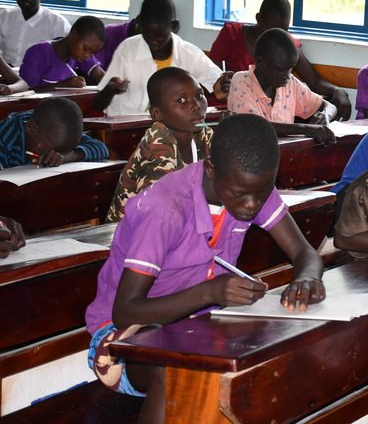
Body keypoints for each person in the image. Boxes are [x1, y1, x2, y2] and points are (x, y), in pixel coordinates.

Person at [84, 114, 325, 422]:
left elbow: (304, 252)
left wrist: (306, 278)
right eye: (241, 195)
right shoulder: (166, 208)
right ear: (211, 169)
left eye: (262, 193)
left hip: (198, 327)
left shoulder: (249, 184)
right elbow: (126, 312)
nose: (252, 205)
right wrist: (210, 292)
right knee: (172, 365)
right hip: (120, 340)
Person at [208, 0, 352, 119]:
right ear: (258, 18)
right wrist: (223, 82)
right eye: (271, 28)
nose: (278, 35)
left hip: (272, 112)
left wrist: (337, 91)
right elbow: (210, 74)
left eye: (284, 30)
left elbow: (314, 81)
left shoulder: (286, 46)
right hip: (230, 108)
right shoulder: (231, 35)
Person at [106, 67, 214, 222]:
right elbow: (161, 210)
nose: (196, 105)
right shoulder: (158, 142)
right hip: (134, 235)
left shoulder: (203, 134)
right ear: (157, 114)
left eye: (199, 95)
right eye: (181, 100)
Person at [95, 0, 230, 116]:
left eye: (160, 37)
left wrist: (223, 87)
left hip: (171, 132)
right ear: (139, 25)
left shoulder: (188, 54)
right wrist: (110, 90)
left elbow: (218, 86)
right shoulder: (128, 49)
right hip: (127, 130)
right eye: (148, 35)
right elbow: (98, 104)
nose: (153, 42)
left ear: (174, 26)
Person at [227, 28, 337, 144]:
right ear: (260, 63)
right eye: (281, 70)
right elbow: (256, 125)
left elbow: (329, 106)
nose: (287, 75)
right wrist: (306, 128)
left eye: (291, 69)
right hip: (248, 156)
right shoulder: (242, 82)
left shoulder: (289, 83)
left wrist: (325, 115)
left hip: (284, 155)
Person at [0, 96, 109, 168]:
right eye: (46, 149)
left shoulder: (62, 134)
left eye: (59, 152)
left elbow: (101, 148)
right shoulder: (5, 136)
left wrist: (68, 156)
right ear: (31, 128)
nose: (50, 155)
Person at [0, 0, 70, 66]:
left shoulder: (57, 24)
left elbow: (66, 61)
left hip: (38, 78)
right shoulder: (5, 17)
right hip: (5, 73)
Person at [19, 15, 107, 89]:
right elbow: (25, 91)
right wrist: (64, 85)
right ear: (74, 35)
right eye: (86, 48)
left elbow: (100, 75)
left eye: (92, 53)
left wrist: (113, 83)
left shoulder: (79, 54)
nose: (87, 55)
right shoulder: (39, 52)